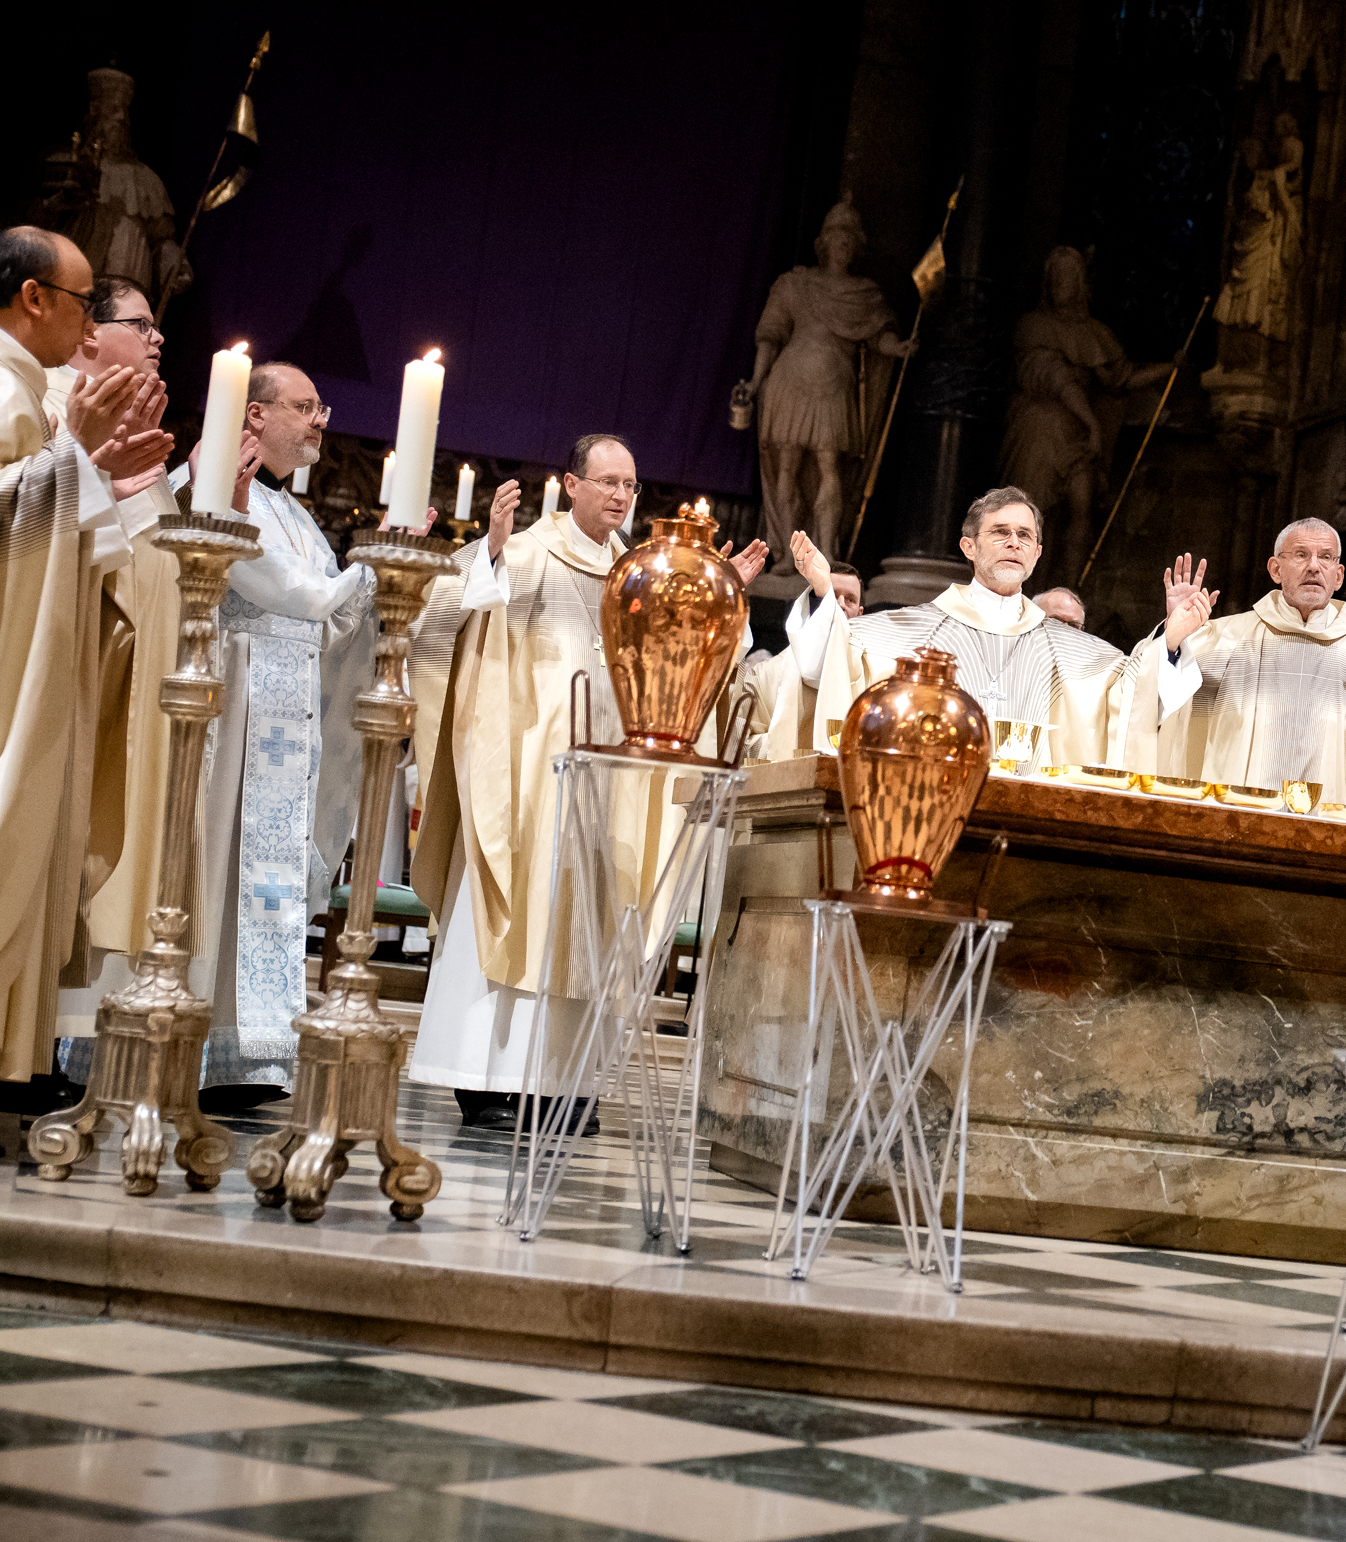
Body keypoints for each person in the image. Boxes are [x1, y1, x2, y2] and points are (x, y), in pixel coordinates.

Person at [407, 437, 764, 1129]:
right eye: (607, 481)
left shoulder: (646, 574)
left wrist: (724, 596)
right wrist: (490, 551)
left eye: (630, 484)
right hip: (530, 767)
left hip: (609, 776)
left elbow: (688, 661)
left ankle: (566, 1086)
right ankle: (485, 1079)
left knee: (595, 919)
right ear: (571, 484)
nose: (620, 495)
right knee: (518, 901)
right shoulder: (528, 552)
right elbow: (449, 617)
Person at [0, 227, 167, 1131]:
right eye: (82, 302)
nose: (89, 324)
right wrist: (78, 462)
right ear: (32, 297)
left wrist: (88, 470)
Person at [177, 362, 380, 1108]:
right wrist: (369, 572)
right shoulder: (207, 478)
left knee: (264, 883)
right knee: (216, 867)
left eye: (321, 406)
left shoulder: (293, 512)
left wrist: (379, 582)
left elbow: (333, 617)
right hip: (231, 710)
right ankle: (193, 1041)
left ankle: (251, 1051)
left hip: (287, 723)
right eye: (305, 406)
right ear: (254, 415)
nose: (320, 419)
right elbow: (279, 585)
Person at [50, 278, 183, 1056]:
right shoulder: (55, 404)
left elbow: (158, 562)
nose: (158, 337)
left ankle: (59, 1036)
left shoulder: (135, 424)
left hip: (136, 673)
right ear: (90, 334)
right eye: (142, 323)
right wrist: (106, 478)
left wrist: (135, 487)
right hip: (74, 659)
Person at [771, 487, 1133, 768]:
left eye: (1025, 535)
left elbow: (1138, 701)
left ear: (1036, 553)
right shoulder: (909, 633)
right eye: (1000, 532)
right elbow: (823, 667)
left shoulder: (1080, 657)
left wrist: (1166, 645)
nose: (1014, 542)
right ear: (969, 547)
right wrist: (823, 590)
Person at [1129, 519, 1346, 824]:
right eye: (1301, 554)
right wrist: (1173, 636)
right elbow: (1145, 697)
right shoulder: (1224, 638)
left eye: (1325, 557)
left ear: (1338, 576)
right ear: (1275, 569)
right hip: (1232, 822)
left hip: (1331, 828)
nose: (1314, 566)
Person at [735, 201, 912, 559]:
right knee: (787, 466)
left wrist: (896, 347)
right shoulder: (795, 284)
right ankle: (788, 555)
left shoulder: (864, 293)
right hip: (789, 381)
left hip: (834, 385)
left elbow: (877, 335)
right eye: (837, 237)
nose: (842, 245)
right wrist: (754, 383)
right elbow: (770, 336)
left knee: (831, 466)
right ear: (823, 242)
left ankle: (826, 550)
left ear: (857, 248)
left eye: (850, 240)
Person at [1000, 248, 1173, 584]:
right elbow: (1055, 378)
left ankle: (1070, 587)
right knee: (1033, 512)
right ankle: (1025, 584)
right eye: (1054, 276)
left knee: (1082, 502)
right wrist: (1092, 425)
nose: (1059, 283)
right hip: (1040, 429)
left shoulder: (1094, 333)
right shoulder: (1033, 326)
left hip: (1078, 435)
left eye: (1067, 277)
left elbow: (1118, 379)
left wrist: (1171, 367)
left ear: (1080, 283)